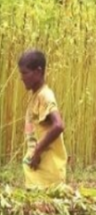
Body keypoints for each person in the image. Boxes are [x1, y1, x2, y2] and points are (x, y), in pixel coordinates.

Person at [18, 50, 68, 189]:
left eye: (25, 73)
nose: (21, 78)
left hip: (48, 171)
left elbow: (58, 125)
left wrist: (38, 151)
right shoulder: (36, 96)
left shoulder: (45, 95)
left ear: (38, 72)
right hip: (39, 170)